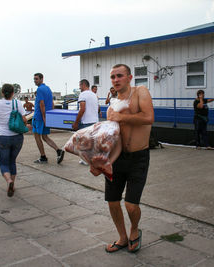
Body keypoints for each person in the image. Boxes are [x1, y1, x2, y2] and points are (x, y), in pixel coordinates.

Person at [93, 64, 154, 253]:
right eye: (112, 77)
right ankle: (122, 236)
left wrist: (121, 117)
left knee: (131, 205)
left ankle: (134, 229)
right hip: (117, 158)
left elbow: (149, 117)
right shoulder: (113, 103)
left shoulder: (140, 92)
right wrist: (98, 160)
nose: (116, 80)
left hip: (139, 158)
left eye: (119, 76)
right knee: (112, 202)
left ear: (129, 77)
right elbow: (111, 136)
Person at [0, 84, 27, 197]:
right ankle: (13, 185)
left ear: (2, 92)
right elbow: (24, 119)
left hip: (3, 137)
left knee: (4, 162)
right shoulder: (17, 103)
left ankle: (9, 181)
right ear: (13, 93)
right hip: (17, 137)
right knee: (12, 161)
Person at [32, 73, 65, 164]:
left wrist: (44, 117)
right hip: (46, 115)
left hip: (39, 117)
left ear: (42, 79)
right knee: (45, 136)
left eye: (37, 79)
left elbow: (41, 104)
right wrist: (50, 115)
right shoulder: (48, 89)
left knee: (36, 136)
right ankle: (58, 150)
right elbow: (51, 103)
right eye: (34, 79)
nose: (35, 81)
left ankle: (43, 157)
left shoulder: (39, 89)